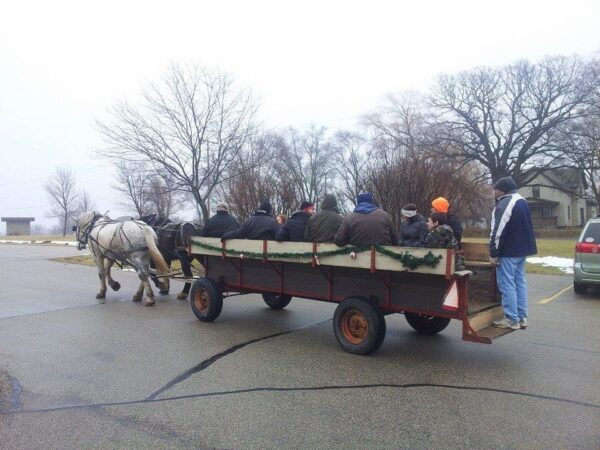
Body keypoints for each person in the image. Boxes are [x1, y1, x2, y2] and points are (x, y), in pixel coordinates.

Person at [489, 176, 537, 330]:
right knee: (519, 282)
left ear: (502, 189)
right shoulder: (522, 201)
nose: (494, 192)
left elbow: (498, 230)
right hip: (521, 250)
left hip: (508, 250)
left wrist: (493, 252)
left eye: (496, 189)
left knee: (507, 284)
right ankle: (522, 317)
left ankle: (511, 319)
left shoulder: (505, 203)